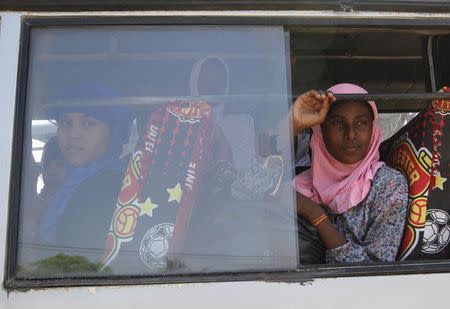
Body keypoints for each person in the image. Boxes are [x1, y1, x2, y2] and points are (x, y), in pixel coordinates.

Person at [293, 83, 408, 263]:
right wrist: (290, 127)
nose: (351, 134)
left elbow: (376, 268)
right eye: (338, 123)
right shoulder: (301, 182)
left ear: (373, 130)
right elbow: (242, 194)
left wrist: (315, 214)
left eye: (361, 123)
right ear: (320, 130)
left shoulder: (387, 184)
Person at [38, 84, 134, 264]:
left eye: (88, 123)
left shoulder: (109, 186)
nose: (74, 134)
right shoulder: (76, 181)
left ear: (115, 133)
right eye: (66, 123)